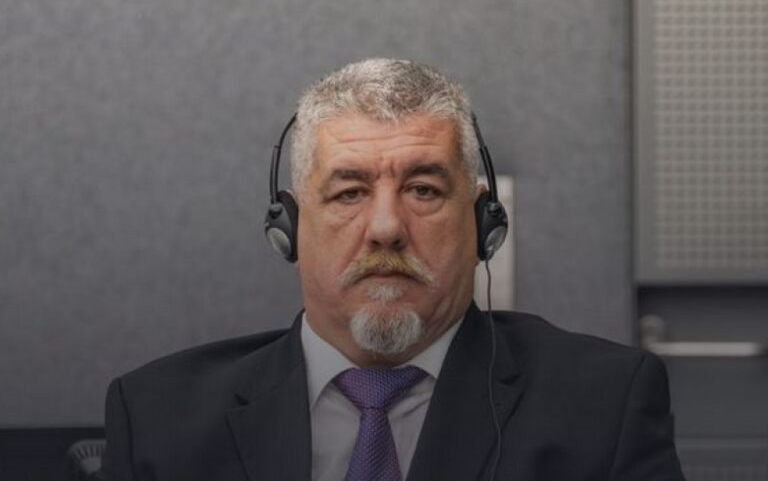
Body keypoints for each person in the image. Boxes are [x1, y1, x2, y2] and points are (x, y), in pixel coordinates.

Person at [101, 58, 684, 481]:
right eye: (349, 193)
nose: (386, 227)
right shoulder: (157, 417)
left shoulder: (604, 406)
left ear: (481, 221)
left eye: (423, 189)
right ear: (291, 226)